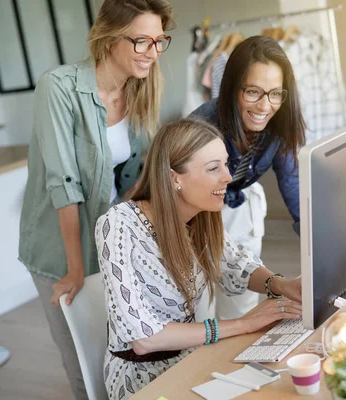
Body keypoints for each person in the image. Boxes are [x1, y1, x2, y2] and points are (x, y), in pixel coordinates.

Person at [18, 1, 175, 398]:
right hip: (61, 251)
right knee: (85, 368)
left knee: (125, 355)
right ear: (107, 36)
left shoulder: (140, 89)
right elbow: (64, 184)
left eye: (158, 42)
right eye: (141, 41)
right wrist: (75, 270)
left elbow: (136, 180)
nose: (152, 53)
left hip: (112, 245)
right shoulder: (59, 87)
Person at [95, 118, 304, 399]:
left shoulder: (201, 214)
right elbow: (145, 339)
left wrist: (283, 285)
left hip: (196, 358)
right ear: (174, 178)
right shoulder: (118, 225)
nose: (228, 177)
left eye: (226, 164)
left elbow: (237, 265)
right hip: (144, 382)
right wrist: (244, 324)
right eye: (213, 168)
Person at [190, 36, 306, 320]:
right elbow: (182, 199)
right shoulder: (201, 127)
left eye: (275, 93)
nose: (265, 106)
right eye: (253, 92)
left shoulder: (280, 125)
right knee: (199, 311)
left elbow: (295, 187)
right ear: (232, 89)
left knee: (241, 306)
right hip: (194, 216)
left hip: (241, 207)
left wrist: (321, 244)